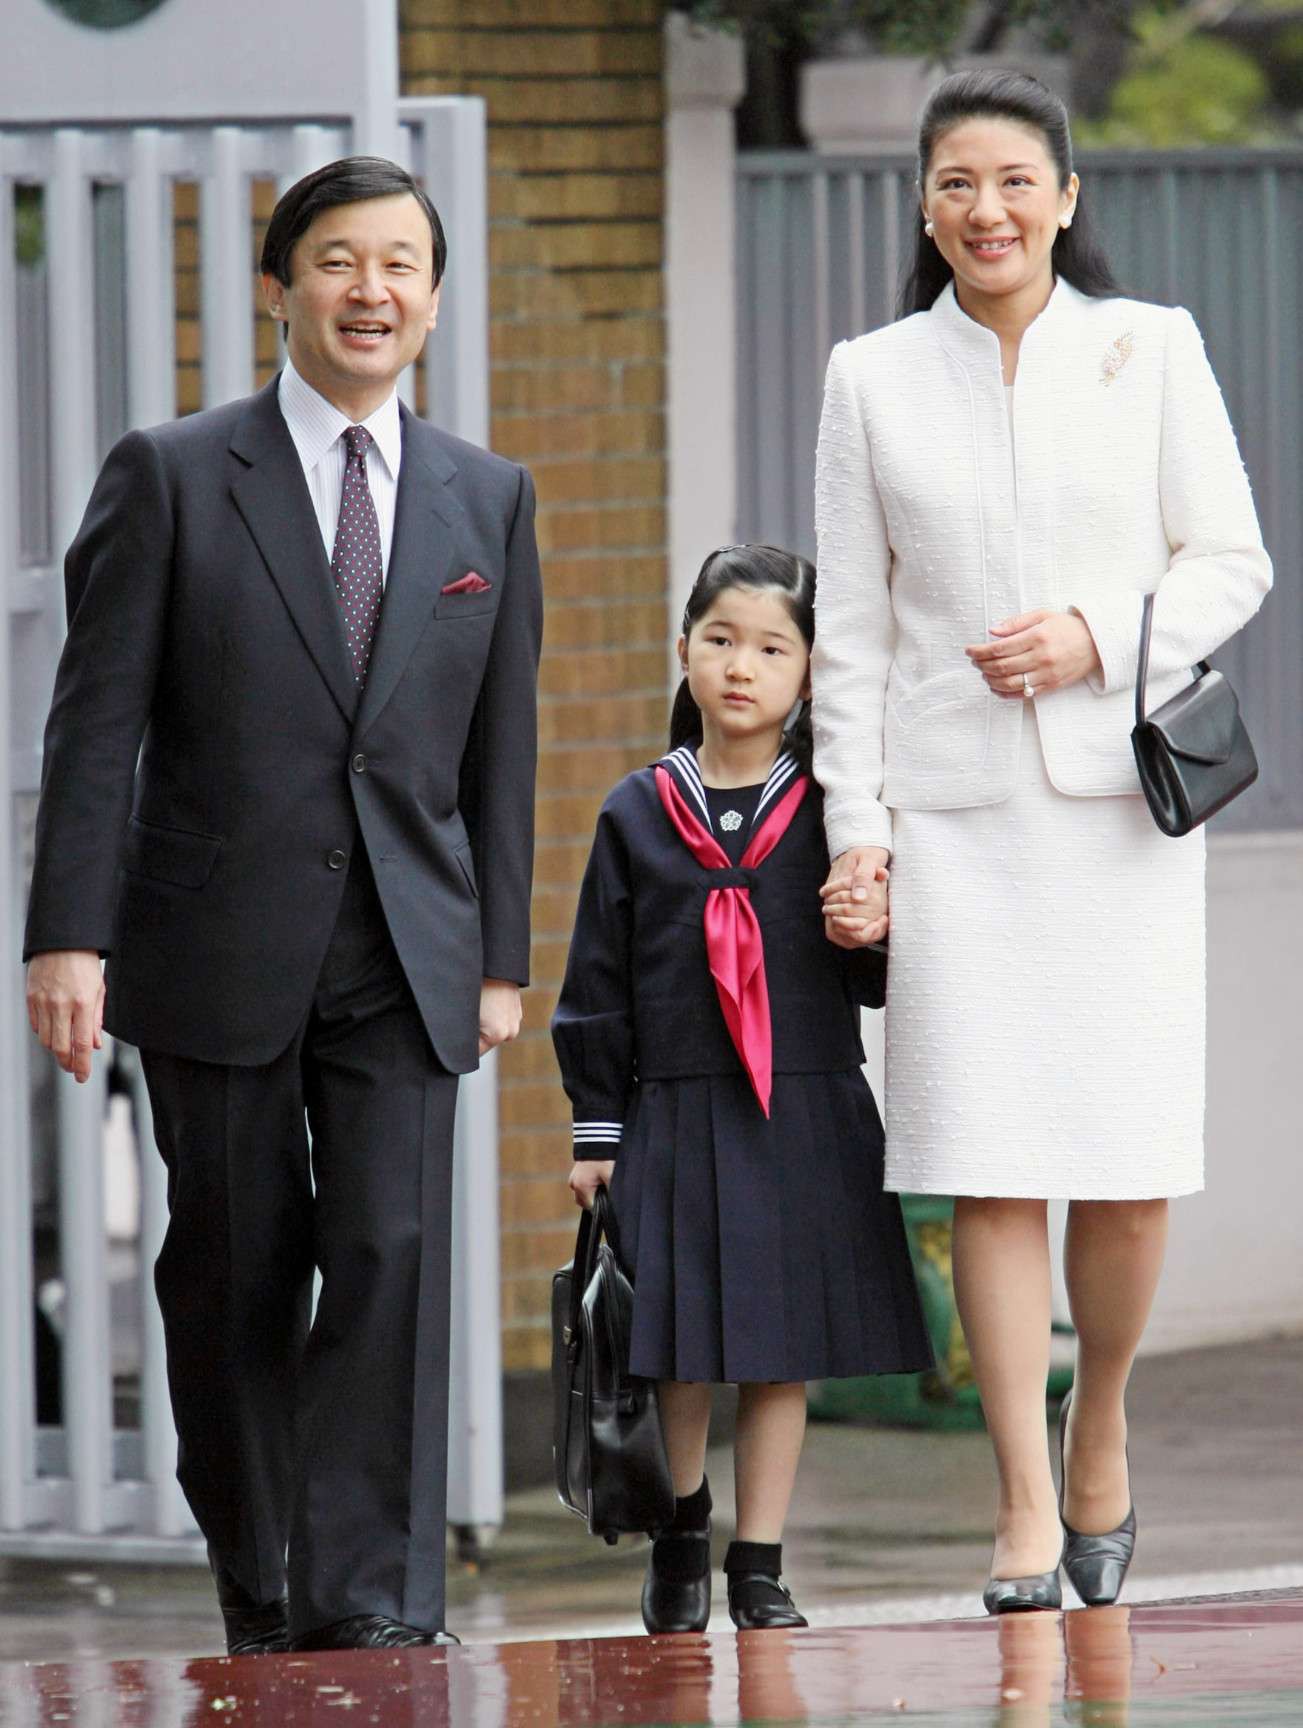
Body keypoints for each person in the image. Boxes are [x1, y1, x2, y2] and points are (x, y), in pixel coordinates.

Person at [23, 156, 543, 1652]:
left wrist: (498, 954)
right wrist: (67, 936)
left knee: (388, 1257)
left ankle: (371, 1609)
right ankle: (261, 1583)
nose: (369, 291)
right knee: (234, 1271)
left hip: (407, 945)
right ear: (278, 286)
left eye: (398, 265)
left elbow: (499, 747)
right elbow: (96, 722)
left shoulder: (486, 496)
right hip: (217, 941)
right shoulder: (175, 472)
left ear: (431, 299)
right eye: (336, 261)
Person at [814, 70, 1271, 1613]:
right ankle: (1018, 1499)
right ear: (924, 203)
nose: (985, 209)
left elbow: (1231, 562)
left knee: (1125, 1173)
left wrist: (1095, 635)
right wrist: (856, 836)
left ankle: (1099, 1424)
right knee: (984, 1170)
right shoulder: (870, 378)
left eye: (1013, 180)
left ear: (1064, 199)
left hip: (1116, 825)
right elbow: (849, 640)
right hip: (952, 830)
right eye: (955, 182)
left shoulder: (1150, 350)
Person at [552, 545, 931, 1634]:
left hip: (802, 1108)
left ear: (810, 674)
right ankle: (680, 1537)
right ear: (683, 649)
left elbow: (878, 972)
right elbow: (596, 981)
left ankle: (758, 1563)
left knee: (781, 1352)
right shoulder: (637, 811)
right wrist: (598, 1131)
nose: (740, 667)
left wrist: (872, 928)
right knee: (675, 1349)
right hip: (674, 1107)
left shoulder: (836, 814)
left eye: (771, 648)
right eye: (719, 640)